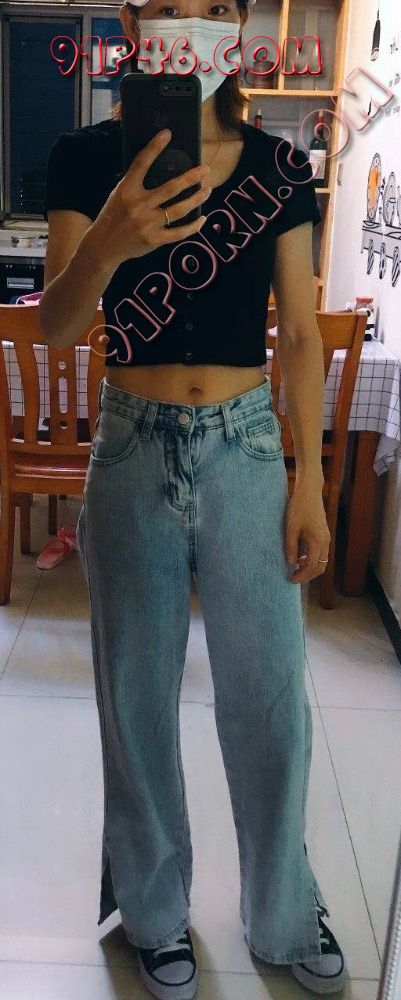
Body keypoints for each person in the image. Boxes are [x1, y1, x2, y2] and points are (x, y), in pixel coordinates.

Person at [40, 0, 348, 995]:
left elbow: (298, 334)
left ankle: (282, 910)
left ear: (234, 27)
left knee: (269, 704)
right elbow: (55, 325)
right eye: (171, 5)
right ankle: (153, 912)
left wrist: (309, 483)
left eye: (213, 8)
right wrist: (109, 239)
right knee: (135, 702)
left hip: (246, 445)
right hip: (131, 445)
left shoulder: (276, 168)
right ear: (138, 22)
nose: (192, 21)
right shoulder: (87, 158)